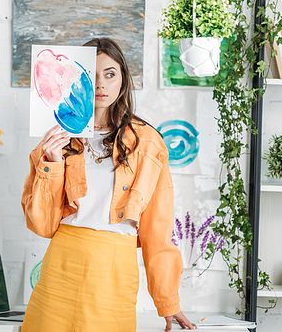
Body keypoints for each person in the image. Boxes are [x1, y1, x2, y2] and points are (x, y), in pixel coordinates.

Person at [21, 37, 195, 332]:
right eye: (91, 74)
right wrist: (52, 160)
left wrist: (168, 303)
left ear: (123, 80)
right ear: (78, 79)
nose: (100, 84)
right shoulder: (56, 138)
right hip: (61, 267)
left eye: (110, 74)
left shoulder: (148, 142)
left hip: (115, 271)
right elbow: (42, 225)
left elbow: (157, 228)